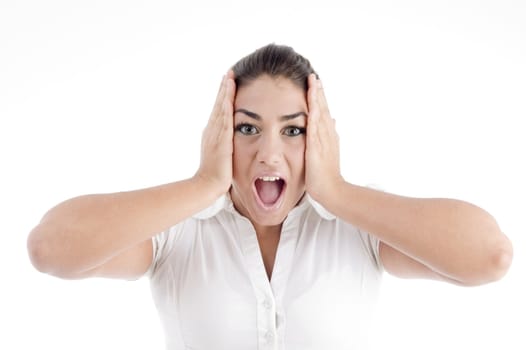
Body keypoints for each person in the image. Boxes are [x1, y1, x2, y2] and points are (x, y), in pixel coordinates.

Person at [27, 43, 513, 349]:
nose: (269, 153)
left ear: (318, 139)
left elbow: (490, 257)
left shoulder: (358, 226)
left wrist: (338, 191)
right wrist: (202, 185)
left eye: (294, 130)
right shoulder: (178, 232)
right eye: (247, 128)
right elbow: (50, 249)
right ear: (222, 135)